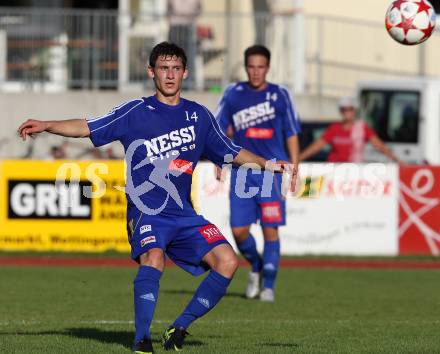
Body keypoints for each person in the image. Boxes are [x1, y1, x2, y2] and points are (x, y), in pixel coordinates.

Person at [17, 42, 294, 354]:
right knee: (155, 259)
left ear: (185, 72)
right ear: (152, 72)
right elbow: (87, 127)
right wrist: (47, 125)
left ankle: (179, 329)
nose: (170, 74)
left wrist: (267, 163)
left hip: (184, 215)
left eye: (176, 68)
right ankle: (141, 340)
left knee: (228, 262)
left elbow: (230, 151)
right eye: (164, 68)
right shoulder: (135, 112)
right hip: (146, 210)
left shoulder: (198, 116)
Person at [215, 45, 301, 302]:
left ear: (268, 68)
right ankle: (256, 265)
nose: (255, 72)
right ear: (246, 67)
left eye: (260, 67)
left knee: (270, 230)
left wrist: (295, 168)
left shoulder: (280, 95)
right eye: (251, 67)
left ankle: (269, 286)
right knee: (239, 231)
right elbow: (218, 127)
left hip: (272, 173)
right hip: (242, 171)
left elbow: (292, 132)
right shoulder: (233, 93)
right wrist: (218, 158)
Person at [299, 96, 401, 163]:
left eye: (350, 109)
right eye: (344, 109)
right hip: (334, 170)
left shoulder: (362, 128)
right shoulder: (334, 128)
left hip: (354, 171)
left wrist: (398, 161)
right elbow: (316, 147)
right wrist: (297, 159)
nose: (347, 112)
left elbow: (380, 146)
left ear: (355, 111)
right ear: (340, 111)